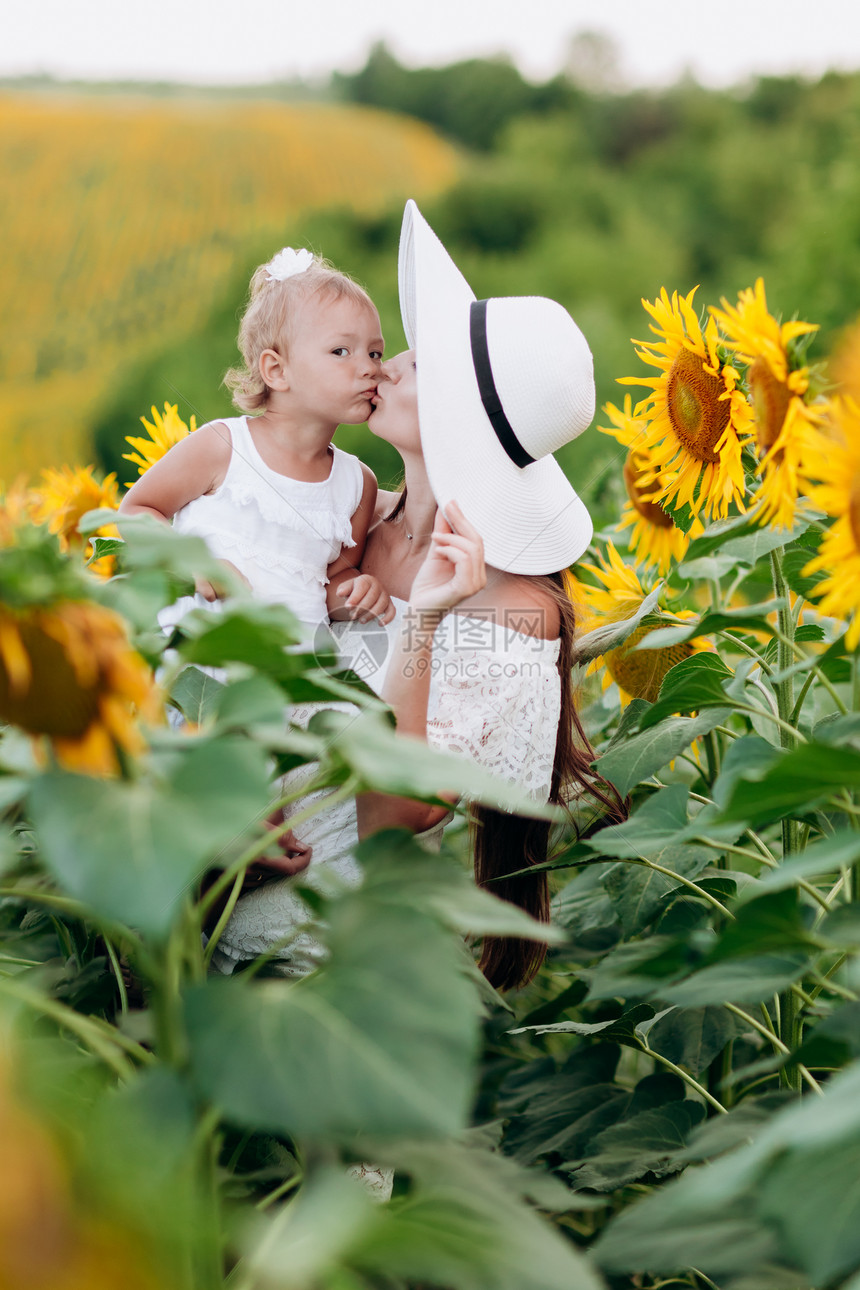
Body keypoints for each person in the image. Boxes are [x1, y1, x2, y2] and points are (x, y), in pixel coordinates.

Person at [211, 201, 625, 991]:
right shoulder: (349, 513)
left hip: (343, 974)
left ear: (462, 422)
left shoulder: (515, 608)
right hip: (211, 926)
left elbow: (391, 823)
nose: (388, 362)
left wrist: (427, 619)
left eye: (420, 361)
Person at [119, 246, 394, 635]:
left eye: (376, 352)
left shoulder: (357, 483)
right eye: (341, 351)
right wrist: (190, 560)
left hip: (287, 679)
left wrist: (356, 593)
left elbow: (329, 581)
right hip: (198, 665)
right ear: (277, 370)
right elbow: (137, 508)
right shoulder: (224, 446)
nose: (369, 368)